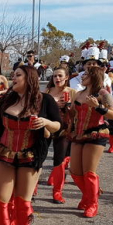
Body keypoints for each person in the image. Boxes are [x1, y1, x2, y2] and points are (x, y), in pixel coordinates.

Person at [0, 65, 61, 225]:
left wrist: (46, 122)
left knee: (22, 199)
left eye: (18, 75)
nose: (13, 78)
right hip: (4, 151)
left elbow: (59, 125)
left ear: (29, 78)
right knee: (0, 197)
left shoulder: (45, 100)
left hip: (31, 154)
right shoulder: (7, 99)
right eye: (13, 75)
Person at [68, 66, 113, 218]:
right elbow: (73, 114)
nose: (82, 76)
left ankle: (92, 203)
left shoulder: (103, 94)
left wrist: (98, 107)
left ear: (94, 76)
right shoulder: (79, 94)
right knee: (75, 172)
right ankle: (90, 194)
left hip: (96, 134)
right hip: (78, 134)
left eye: (86, 74)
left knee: (88, 172)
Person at [44, 66, 76, 203]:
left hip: (64, 129)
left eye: (60, 76)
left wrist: (69, 106)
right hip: (46, 128)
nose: (57, 78)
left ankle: (57, 192)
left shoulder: (72, 92)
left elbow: (76, 114)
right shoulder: (47, 92)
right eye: (54, 76)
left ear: (66, 77)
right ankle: (31, 190)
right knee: (39, 157)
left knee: (60, 160)